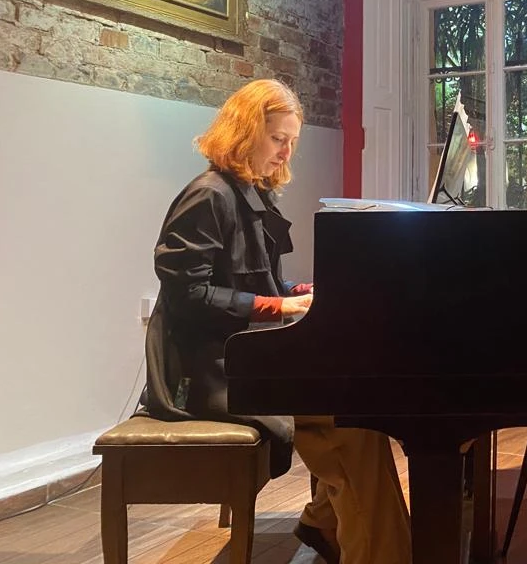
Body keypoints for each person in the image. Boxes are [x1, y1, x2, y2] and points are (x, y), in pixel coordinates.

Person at [140, 78, 411, 564]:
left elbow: (258, 284)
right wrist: (278, 307)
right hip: (207, 374)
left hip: (245, 358)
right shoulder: (208, 196)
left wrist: (302, 292)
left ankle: (328, 524)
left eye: (291, 142)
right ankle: (363, 544)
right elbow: (187, 295)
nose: (286, 153)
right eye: (278, 139)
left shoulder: (249, 193)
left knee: (358, 413)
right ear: (245, 133)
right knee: (351, 427)